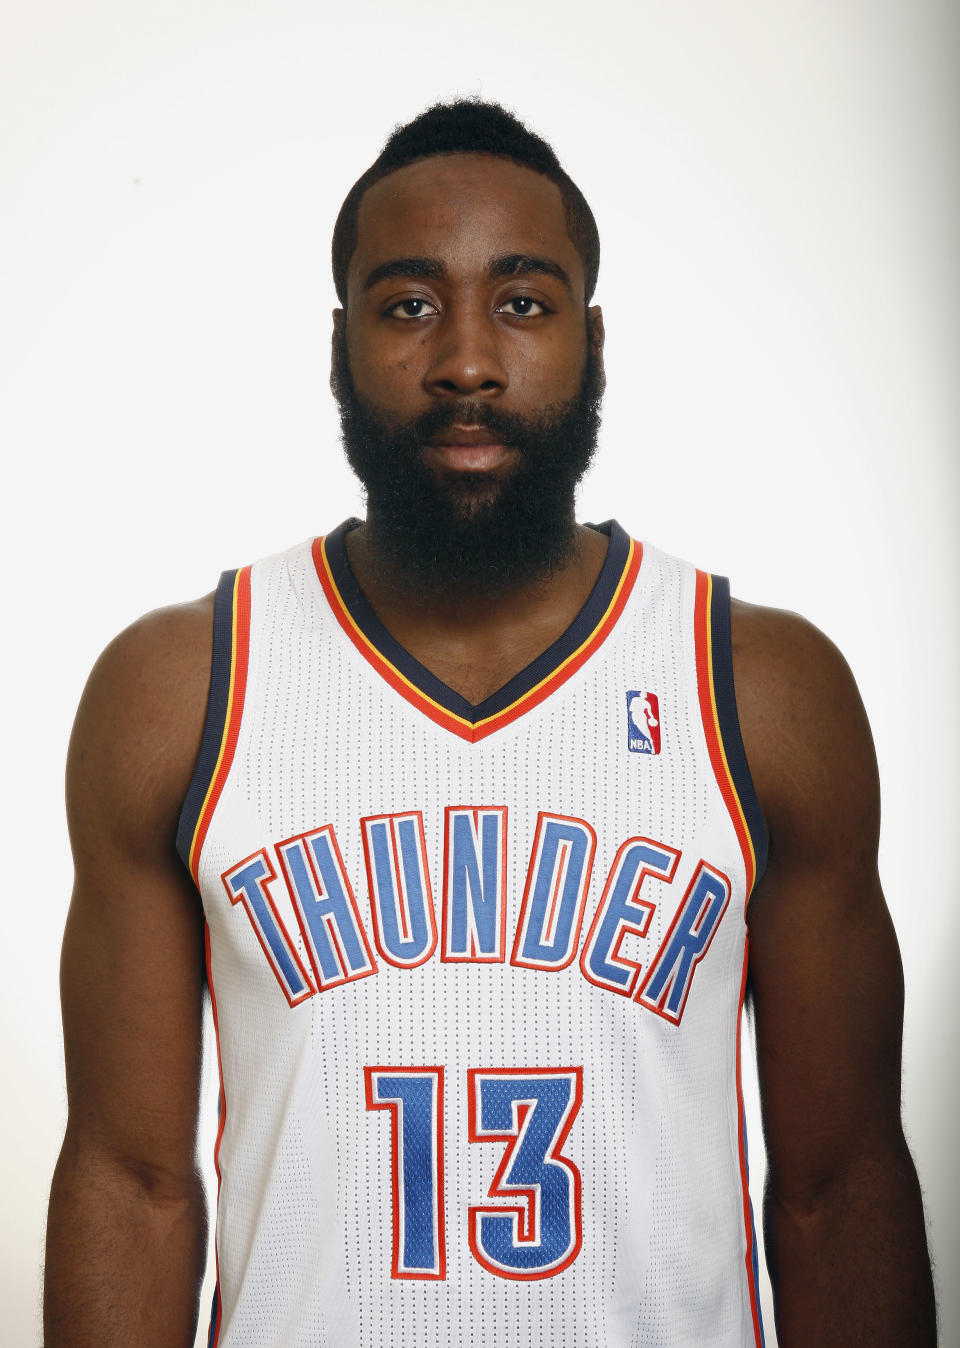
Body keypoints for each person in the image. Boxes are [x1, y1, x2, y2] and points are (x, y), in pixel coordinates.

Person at [44, 100, 936, 1347]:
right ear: (339, 344)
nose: (467, 359)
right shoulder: (182, 687)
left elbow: (839, 1192)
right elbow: (131, 1187)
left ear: (596, 340)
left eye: (523, 301)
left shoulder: (759, 688)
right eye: (408, 304)